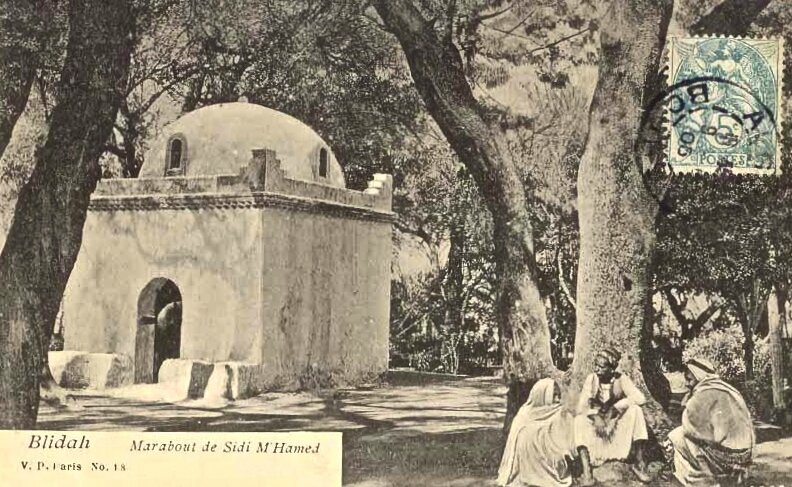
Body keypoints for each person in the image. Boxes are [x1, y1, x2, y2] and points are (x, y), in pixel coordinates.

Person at [668, 357, 754, 486]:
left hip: (728, 457)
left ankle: (701, 480)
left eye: (689, 379)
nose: (687, 384)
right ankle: (732, 476)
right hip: (745, 455)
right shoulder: (728, 389)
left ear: (699, 376)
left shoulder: (703, 394)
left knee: (677, 436)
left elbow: (690, 427)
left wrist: (686, 403)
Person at [575, 349, 650, 485]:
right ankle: (587, 470)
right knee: (579, 420)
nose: (597, 369)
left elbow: (640, 398)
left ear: (611, 368)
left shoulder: (621, 379)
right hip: (597, 427)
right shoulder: (592, 379)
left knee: (636, 411)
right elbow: (581, 407)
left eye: (601, 367)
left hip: (614, 425)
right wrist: (595, 416)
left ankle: (639, 463)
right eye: (596, 365)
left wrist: (617, 407)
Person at [497, 378, 577, 487]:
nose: (557, 400)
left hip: (552, 459)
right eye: (553, 395)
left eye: (559, 396)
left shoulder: (559, 414)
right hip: (527, 463)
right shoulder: (525, 414)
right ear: (542, 396)